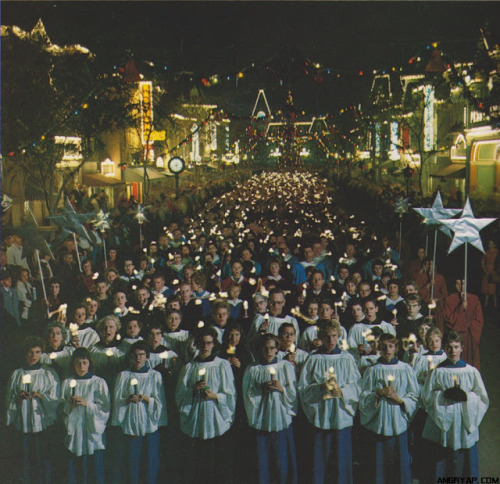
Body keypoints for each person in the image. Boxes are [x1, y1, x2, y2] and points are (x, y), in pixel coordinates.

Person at [298, 320, 361, 484]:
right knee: (320, 462)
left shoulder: (347, 358)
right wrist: (320, 388)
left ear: (339, 336)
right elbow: (303, 388)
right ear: (321, 338)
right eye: (327, 336)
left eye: (334, 336)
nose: (331, 340)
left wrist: (343, 392)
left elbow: (356, 385)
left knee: (342, 462)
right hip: (322, 415)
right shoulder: (314, 359)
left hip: (341, 415)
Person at [421, 331, 489, 481]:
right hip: (443, 422)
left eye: (456, 347)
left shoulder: (471, 371)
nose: (453, 351)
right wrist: (443, 395)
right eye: (450, 347)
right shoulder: (437, 372)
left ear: (462, 348)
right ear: (445, 349)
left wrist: (466, 396)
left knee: (465, 464)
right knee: (441, 462)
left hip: (464, 422)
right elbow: (426, 398)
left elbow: (482, 398)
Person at [175, 327, 236, 483]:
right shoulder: (189, 367)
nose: (205, 346)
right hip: (196, 418)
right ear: (197, 344)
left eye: (209, 343)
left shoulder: (222, 365)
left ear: (214, 344)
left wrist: (216, 396)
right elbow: (180, 395)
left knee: (217, 460)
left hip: (215, 417)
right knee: (197, 462)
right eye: (202, 343)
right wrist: (193, 390)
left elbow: (230, 393)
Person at [359, 333, 419, 484]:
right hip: (379, 424)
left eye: (391, 346)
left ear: (396, 348)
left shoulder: (405, 369)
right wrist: (379, 393)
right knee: (379, 468)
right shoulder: (372, 370)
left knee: (400, 467)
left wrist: (399, 399)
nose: (387, 349)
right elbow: (363, 398)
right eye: (384, 346)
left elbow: (414, 397)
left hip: (399, 424)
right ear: (379, 348)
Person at [243, 334, 298, 484]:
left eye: (272, 348)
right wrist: (261, 389)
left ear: (277, 349)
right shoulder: (253, 369)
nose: (269, 351)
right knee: (263, 463)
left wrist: (282, 389)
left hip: (280, 420)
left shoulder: (285, 367)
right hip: (262, 421)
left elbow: (293, 393)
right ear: (260, 349)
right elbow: (247, 395)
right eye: (265, 348)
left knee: (282, 463)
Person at [6, 336, 60, 484]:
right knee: (25, 461)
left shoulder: (48, 373)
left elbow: (55, 398)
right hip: (23, 423)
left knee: (42, 460)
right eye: (30, 352)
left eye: (37, 352)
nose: (34, 356)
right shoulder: (17, 374)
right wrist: (19, 398)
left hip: (42, 425)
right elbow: (10, 399)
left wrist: (40, 396)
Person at [112, 341, 167, 484]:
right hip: (131, 426)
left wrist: (145, 398)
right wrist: (128, 400)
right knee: (132, 465)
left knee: (149, 464)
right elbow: (118, 401)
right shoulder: (124, 376)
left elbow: (160, 401)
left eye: (142, 355)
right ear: (130, 357)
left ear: (147, 357)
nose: (138, 358)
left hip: (149, 425)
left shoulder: (154, 375)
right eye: (135, 355)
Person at [61, 347, 110, 484]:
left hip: (91, 429)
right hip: (75, 431)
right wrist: (69, 405)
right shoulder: (67, 383)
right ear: (73, 364)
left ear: (90, 363)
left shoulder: (98, 382)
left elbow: (105, 408)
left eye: (84, 362)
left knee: (93, 469)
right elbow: (61, 407)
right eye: (78, 363)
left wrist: (87, 403)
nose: (81, 367)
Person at [443, 279, 484, 370]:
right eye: (458, 283)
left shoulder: (474, 299)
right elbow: (449, 320)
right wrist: (461, 307)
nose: (461, 286)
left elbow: (479, 320)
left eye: (463, 284)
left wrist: (468, 325)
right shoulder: (449, 299)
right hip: (457, 336)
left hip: (470, 335)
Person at [481, 239, 498, 308]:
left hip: (495, 271)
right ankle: (486, 303)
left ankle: (495, 303)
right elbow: (482, 262)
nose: (490, 245)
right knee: (487, 287)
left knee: (494, 288)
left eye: (491, 244)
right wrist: (484, 269)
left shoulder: (497, 252)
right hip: (487, 271)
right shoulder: (486, 252)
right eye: (489, 244)